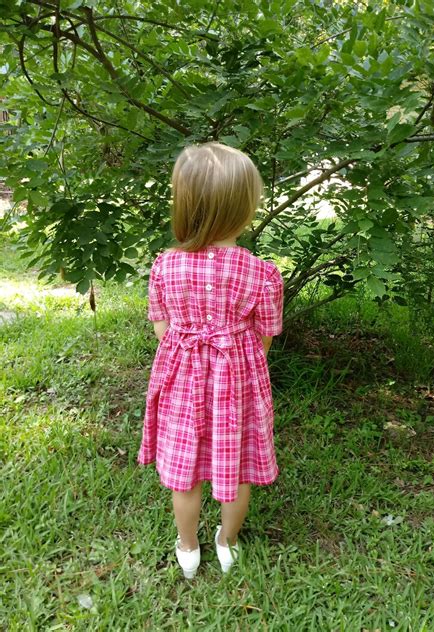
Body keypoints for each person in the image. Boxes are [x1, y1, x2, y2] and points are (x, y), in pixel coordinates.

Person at [137, 141, 284, 578]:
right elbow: (265, 338)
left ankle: (187, 546)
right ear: (243, 210)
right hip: (235, 384)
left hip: (181, 381)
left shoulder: (164, 266)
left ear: (185, 204)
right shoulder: (262, 272)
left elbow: (163, 328)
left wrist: (190, 345)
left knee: (185, 471)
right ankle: (227, 541)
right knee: (235, 467)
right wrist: (231, 350)